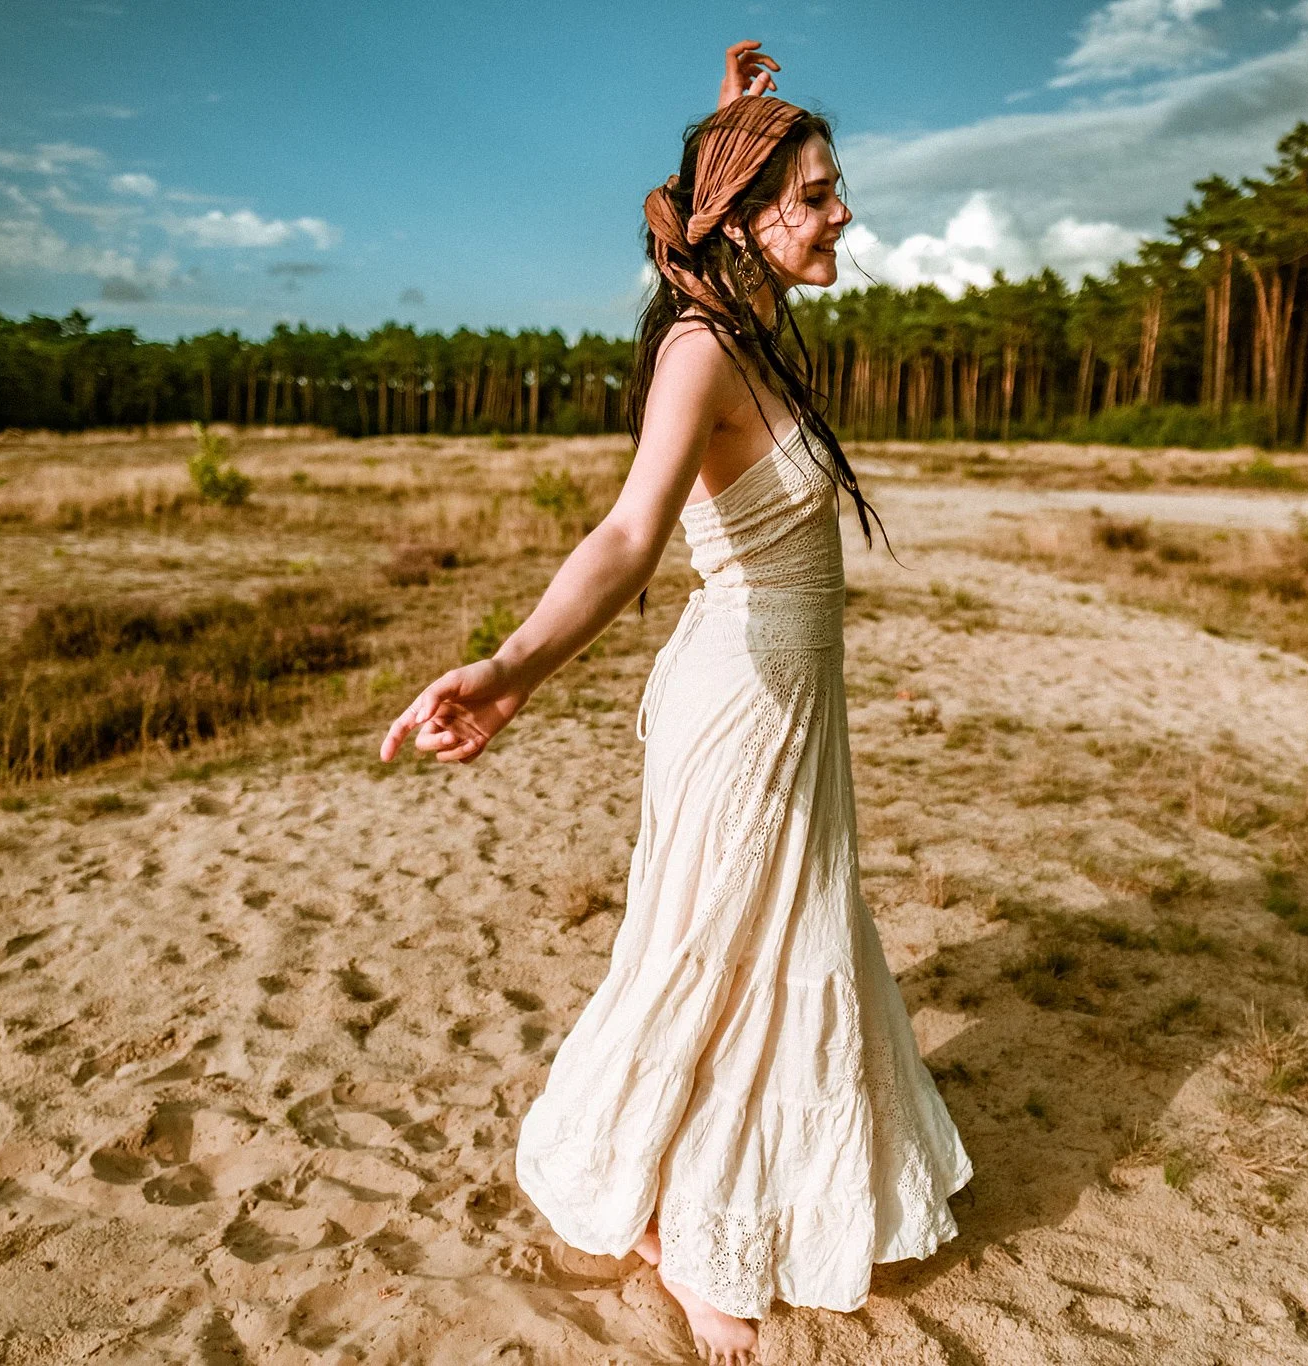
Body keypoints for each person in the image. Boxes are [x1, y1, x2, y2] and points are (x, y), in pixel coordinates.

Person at [379, 41, 973, 1366]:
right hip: (740, 697)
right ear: (757, 221)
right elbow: (627, 537)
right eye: (816, 194)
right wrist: (506, 670)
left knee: (775, 937)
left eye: (829, 188)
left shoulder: (749, 319)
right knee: (721, 950)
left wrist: (734, 134)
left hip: (787, 696)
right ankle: (694, 1238)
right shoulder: (703, 352)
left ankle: (696, 1204)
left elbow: (704, 225)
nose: (842, 213)